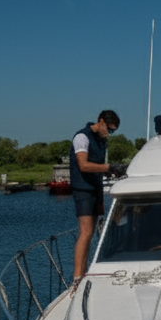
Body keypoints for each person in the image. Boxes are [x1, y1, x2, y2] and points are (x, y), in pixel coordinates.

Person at [70, 109, 120, 284]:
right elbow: (83, 165)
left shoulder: (101, 140)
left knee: (91, 232)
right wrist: (109, 168)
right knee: (85, 232)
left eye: (113, 131)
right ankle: (77, 277)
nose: (110, 133)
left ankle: (83, 273)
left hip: (95, 188)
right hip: (83, 189)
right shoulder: (82, 137)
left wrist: (112, 171)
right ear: (100, 122)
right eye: (109, 129)